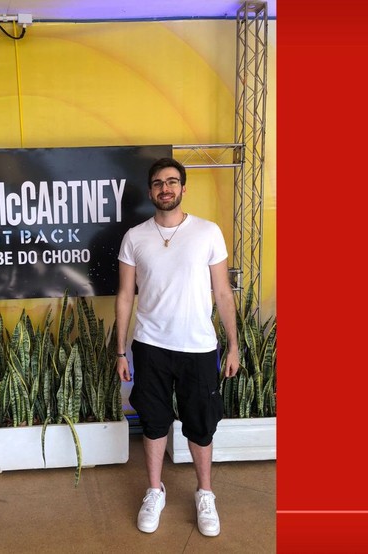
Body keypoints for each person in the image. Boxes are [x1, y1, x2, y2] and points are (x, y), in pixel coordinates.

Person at [115, 157, 240, 537]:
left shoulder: (208, 232)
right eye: (157, 183)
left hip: (199, 348)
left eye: (172, 182)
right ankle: (155, 490)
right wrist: (120, 351)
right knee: (153, 423)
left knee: (201, 425)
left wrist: (233, 346)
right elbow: (124, 296)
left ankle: (205, 494)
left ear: (183, 189)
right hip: (150, 346)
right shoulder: (135, 237)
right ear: (151, 190)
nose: (165, 188)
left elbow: (222, 291)